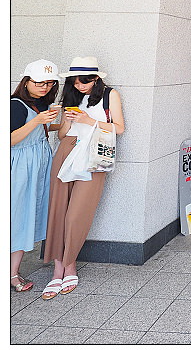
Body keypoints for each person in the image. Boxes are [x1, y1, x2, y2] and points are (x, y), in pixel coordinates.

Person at [42, 57, 125, 301]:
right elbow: (64, 134)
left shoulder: (110, 95)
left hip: (94, 154)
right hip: (67, 150)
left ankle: (70, 265)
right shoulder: (71, 96)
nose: (80, 86)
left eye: (85, 81)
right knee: (57, 211)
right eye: (76, 81)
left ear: (96, 78)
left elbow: (119, 127)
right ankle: (58, 270)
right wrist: (66, 120)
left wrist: (89, 121)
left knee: (77, 214)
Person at [11, 60, 61, 293]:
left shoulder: (40, 104)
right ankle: (12, 274)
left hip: (37, 167)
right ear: (26, 81)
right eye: (40, 82)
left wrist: (56, 125)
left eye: (50, 83)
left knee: (26, 216)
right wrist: (39, 121)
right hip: (20, 169)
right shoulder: (16, 105)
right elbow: (10, 139)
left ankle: (13, 271)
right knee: (17, 217)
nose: (45, 87)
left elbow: (35, 131)